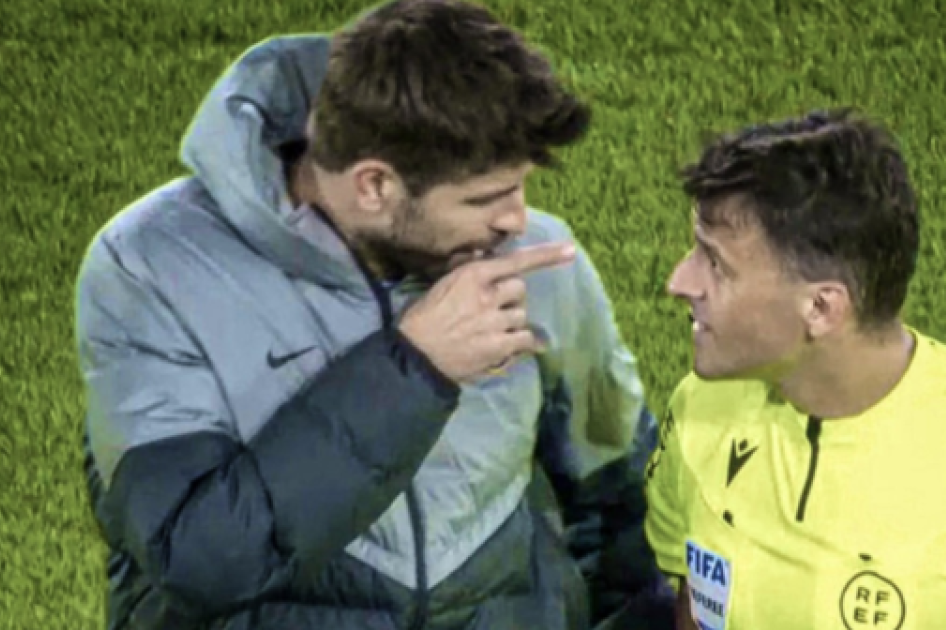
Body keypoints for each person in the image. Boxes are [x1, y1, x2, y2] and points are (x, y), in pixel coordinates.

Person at [75, 1, 660, 628]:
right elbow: (201, 558)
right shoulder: (153, 266)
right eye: (484, 199)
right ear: (374, 185)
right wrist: (413, 368)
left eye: (520, 188)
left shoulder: (530, 257)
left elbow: (618, 499)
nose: (516, 220)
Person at [644, 108, 946, 630]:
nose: (679, 281)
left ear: (821, 307)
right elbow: (692, 596)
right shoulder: (703, 405)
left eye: (716, 264)